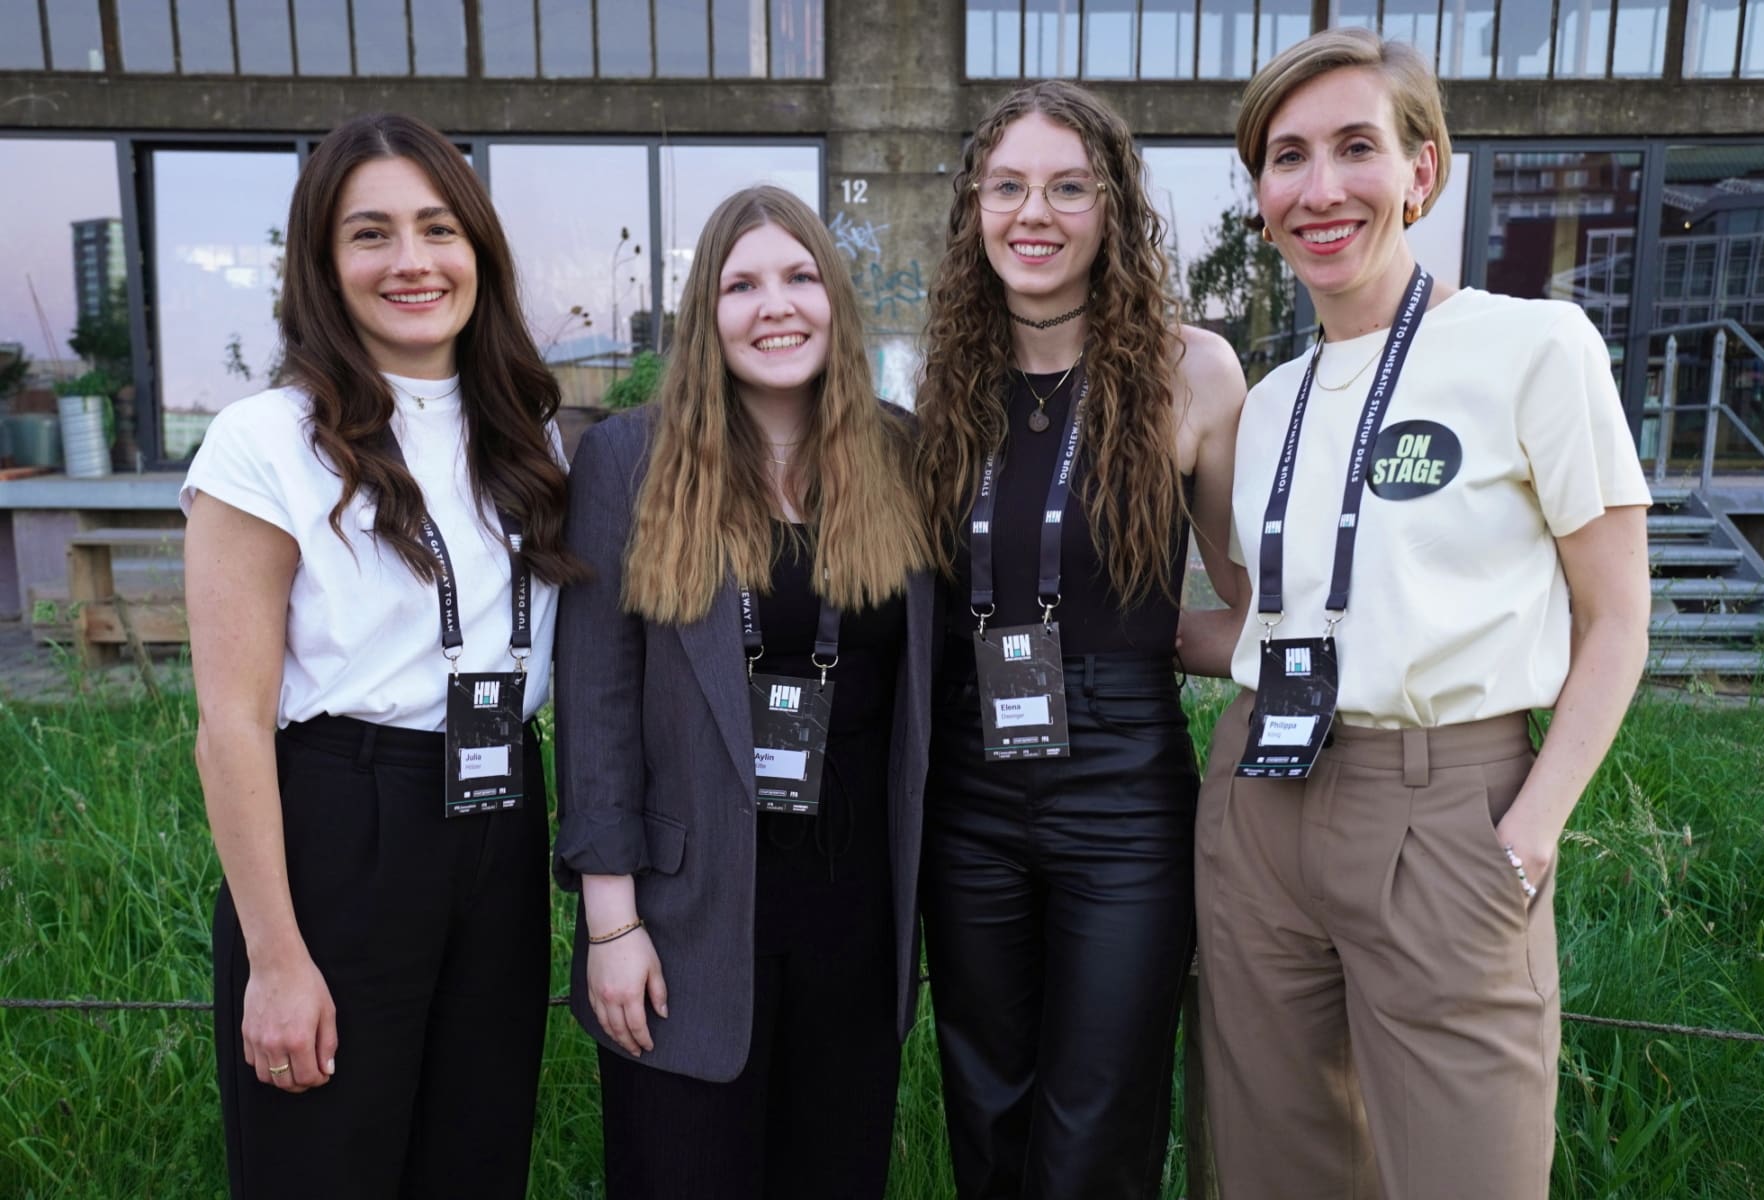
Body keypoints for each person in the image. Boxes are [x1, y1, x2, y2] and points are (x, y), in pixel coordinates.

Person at [1190, 28, 1652, 1200]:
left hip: (1449, 813)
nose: (1322, 187)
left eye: (1357, 148)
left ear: (1423, 171)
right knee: (1271, 1171)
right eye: (1287, 159)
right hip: (1261, 801)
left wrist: (1527, 836)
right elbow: (1280, 629)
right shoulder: (1271, 399)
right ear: (1261, 196)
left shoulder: (1533, 347)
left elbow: (1616, 623)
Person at [183, 113, 581, 1197]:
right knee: (326, 1162)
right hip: (342, 825)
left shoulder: (524, 435)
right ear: (323, 263)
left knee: (474, 1157)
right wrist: (275, 956)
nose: (411, 261)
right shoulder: (265, 442)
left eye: (436, 228)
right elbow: (228, 725)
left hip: (498, 815)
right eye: (371, 235)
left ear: (478, 251)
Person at [553, 184, 937, 1199]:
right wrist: (611, 927)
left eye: (802, 277)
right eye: (742, 284)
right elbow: (594, 709)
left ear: (837, 301)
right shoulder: (626, 462)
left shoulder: (901, 457)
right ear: (705, 314)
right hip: (682, 918)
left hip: (852, 909)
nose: (777, 305)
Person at [914, 80, 1249, 1199]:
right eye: (1007, 186)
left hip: (1123, 784)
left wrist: (1137, 643)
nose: (1034, 213)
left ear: (1114, 210)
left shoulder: (1190, 370)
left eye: (1069, 186)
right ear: (975, 208)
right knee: (986, 1096)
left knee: (1100, 1109)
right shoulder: (945, 382)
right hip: (967, 785)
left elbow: (1254, 610)